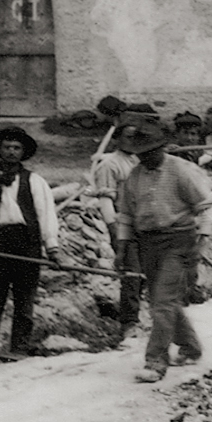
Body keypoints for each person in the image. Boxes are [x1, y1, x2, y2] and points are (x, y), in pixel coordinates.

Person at [113, 117, 212, 382]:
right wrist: (122, 248)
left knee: (162, 302)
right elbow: (125, 214)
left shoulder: (182, 171)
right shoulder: (134, 176)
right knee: (164, 301)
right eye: (140, 154)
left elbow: (207, 205)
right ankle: (191, 348)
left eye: (151, 152)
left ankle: (156, 362)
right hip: (147, 243)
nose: (145, 158)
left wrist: (202, 241)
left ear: (162, 147)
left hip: (179, 241)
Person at [0, 126, 61, 364]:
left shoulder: (35, 181)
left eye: (16, 148)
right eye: (7, 147)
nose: (11, 152)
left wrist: (51, 246)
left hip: (26, 243)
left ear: (23, 152)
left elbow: (46, 214)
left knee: (24, 301)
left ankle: (19, 349)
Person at [87, 115, 146, 348]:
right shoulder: (110, 164)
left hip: (147, 225)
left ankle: (142, 314)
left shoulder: (141, 161)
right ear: (117, 139)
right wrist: (114, 229)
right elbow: (105, 199)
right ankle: (128, 324)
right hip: (124, 226)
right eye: (128, 137)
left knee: (146, 273)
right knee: (132, 274)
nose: (133, 141)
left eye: (136, 137)